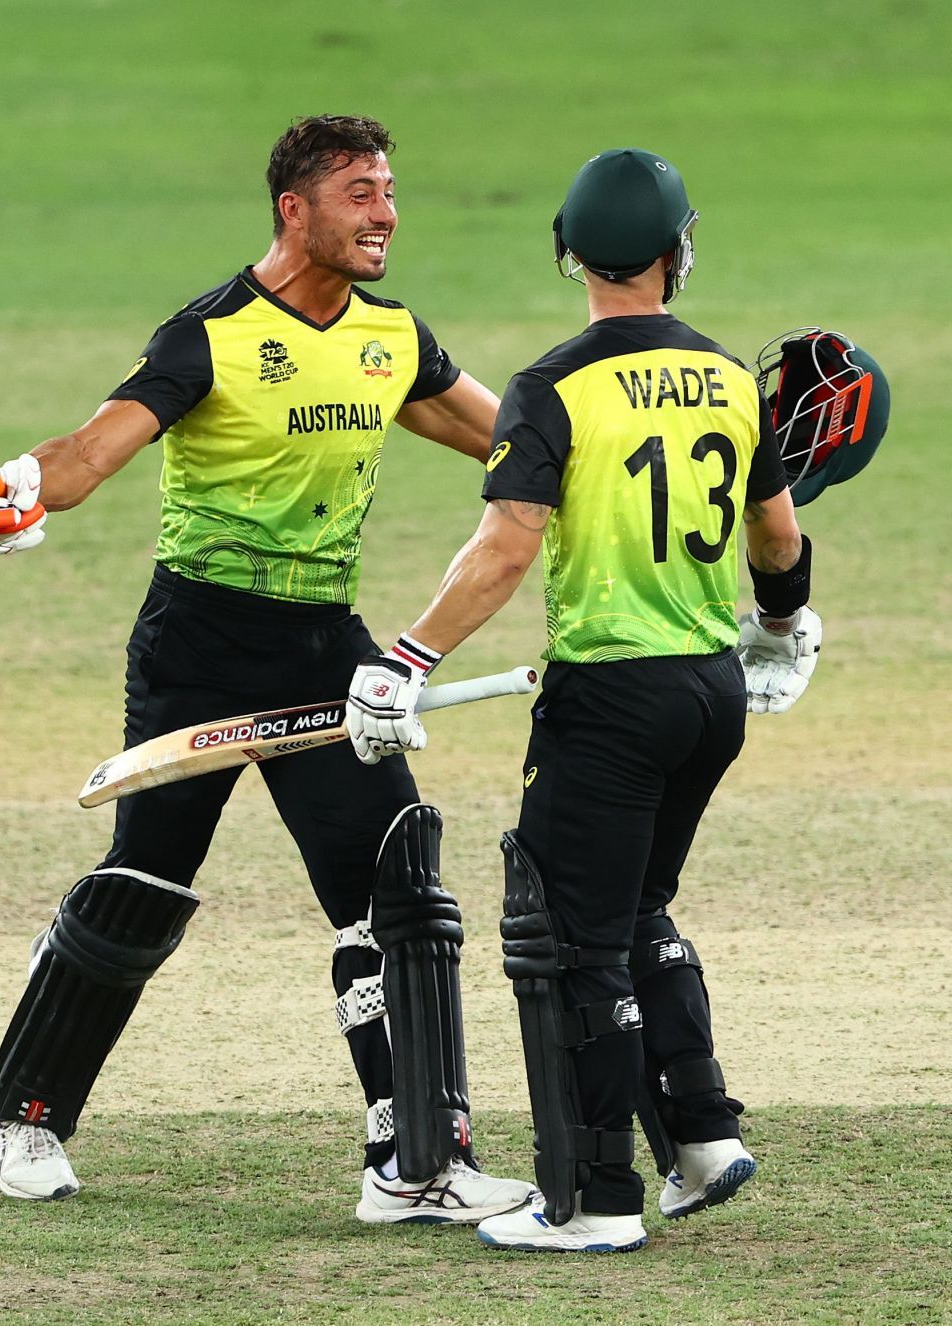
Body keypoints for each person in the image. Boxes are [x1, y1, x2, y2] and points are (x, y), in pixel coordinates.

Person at [0, 114, 535, 1225]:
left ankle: (416, 1163)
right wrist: (9, 493)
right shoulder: (208, 335)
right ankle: (27, 1115)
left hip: (324, 647)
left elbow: (513, 446)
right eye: (360, 193)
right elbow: (86, 455)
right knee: (145, 881)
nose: (386, 214)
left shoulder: (392, 339)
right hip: (198, 649)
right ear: (294, 209)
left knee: (394, 892)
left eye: (391, 191)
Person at [344, 147, 820, 1253]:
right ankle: (700, 1140)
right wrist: (786, 627)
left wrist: (404, 661)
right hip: (711, 694)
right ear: (677, 252)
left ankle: (597, 1202)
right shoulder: (731, 382)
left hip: (608, 699)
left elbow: (507, 547)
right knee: (637, 912)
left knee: (567, 941)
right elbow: (780, 537)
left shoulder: (552, 387)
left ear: (566, 251)